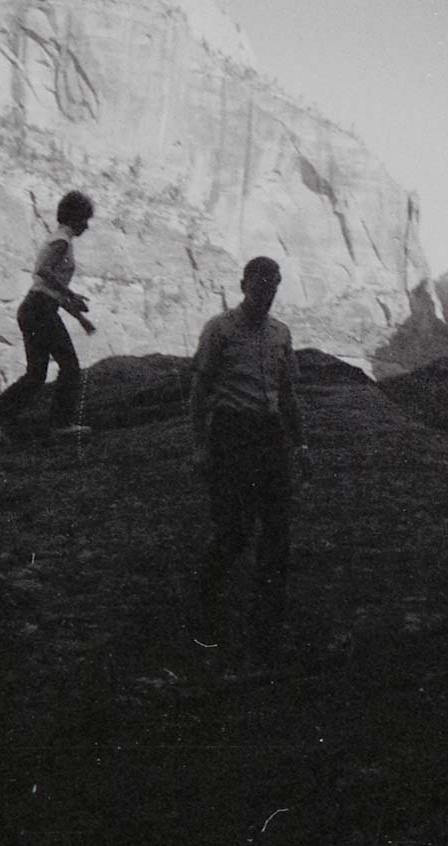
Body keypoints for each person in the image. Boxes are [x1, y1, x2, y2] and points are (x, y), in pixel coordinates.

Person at [190, 256, 310, 670]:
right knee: (235, 530)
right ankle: (204, 607)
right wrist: (200, 446)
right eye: (260, 285)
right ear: (244, 285)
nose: (267, 292)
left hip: (271, 434)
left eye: (274, 285)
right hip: (231, 433)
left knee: (277, 529)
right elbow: (200, 389)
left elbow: (289, 393)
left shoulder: (281, 334)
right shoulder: (219, 329)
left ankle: (267, 623)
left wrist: (301, 445)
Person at [0, 190, 97, 444]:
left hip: (35, 308)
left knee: (37, 373)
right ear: (75, 217)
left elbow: (47, 288)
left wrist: (79, 317)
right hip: (40, 310)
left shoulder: (58, 240)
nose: (87, 226)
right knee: (70, 367)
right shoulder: (62, 242)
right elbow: (42, 272)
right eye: (85, 220)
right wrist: (72, 295)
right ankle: (60, 424)